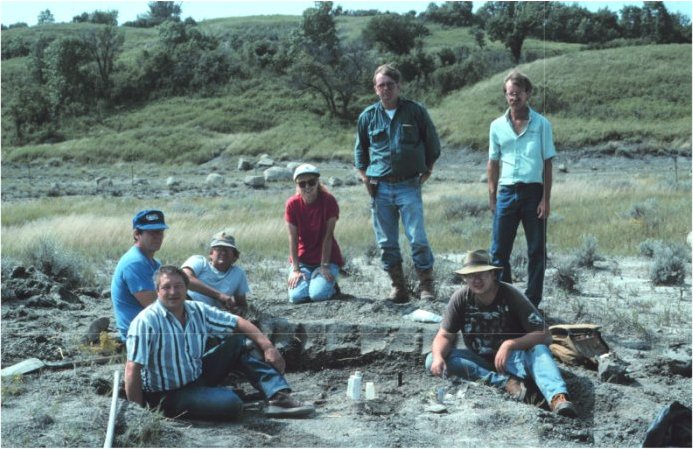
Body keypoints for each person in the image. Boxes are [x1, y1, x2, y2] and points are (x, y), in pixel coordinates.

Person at [124, 265, 315, 419]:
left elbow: (238, 322)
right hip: (166, 394)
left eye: (178, 286)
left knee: (240, 341)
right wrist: (138, 414)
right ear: (157, 291)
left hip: (196, 376)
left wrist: (268, 347)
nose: (173, 292)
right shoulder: (146, 322)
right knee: (232, 404)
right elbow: (132, 370)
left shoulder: (196, 309)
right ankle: (219, 397)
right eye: (166, 287)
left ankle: (278, 397)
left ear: (186, 288)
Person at [425, 249, 577, 418]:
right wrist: (438, 357)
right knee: (432, 359)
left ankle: (558, 398)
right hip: (481, 362)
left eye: (481, 274)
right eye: (471, 276)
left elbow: (545, 334)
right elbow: (445, 335)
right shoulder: (460, 298)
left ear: (492, 274)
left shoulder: (510, 295)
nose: (476, 280)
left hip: (516, 360)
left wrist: (510, 344)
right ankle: (506, 383)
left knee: (539, 350)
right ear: (465, 278)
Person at [354, 63, 441, 303]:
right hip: (380, 187)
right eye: (381, 85)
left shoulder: (415, 111)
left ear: (398, 85)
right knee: (386, 242)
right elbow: (360, 152)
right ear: (375, 88)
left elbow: (433, 144)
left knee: (417, 238)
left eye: (390, 84)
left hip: (408, 185)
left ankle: (426, 286)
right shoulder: (368, 117)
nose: (386, 89)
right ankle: (398, 287)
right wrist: (365, 178)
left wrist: (428, 170)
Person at [487, 70, 556, 307]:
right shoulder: (496, 126)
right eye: (510, 93)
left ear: (527, 93)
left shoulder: (542, 125)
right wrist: (492, 197)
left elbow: (547, 163)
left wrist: (545, 199)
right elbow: (493, 162)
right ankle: (506, 301)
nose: (514, 97)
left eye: (518, 93)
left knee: (536, 249)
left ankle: (532, 302)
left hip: (533, 192)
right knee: (499, 251)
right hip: (506, 193)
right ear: (505, 95)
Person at [285, 163, 344, 303]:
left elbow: (328, 236)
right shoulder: (292, 204)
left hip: (327, 259)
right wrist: (296, 269)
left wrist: (324, 266)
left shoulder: (329, 201)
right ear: (297, 186)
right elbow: (293, 238)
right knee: (296, 297)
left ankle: (331, 287)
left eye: (311, 182)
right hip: (303, 260)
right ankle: (314, 281)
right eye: (302, 184)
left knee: (317, 296)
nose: (307, 187)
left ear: (317, 182)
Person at [111, 209, 168, 342]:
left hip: (151, 329)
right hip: (139, 336)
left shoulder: (153, 262)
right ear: (137, 234)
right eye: (152, 233)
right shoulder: (135, 263)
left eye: (160, 232)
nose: (158, 237)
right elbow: (155, 305)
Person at [182, 230, 250, 316]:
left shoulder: (238, 274)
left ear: (235, 256)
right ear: (211, 253)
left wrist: (237, 310)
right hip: (187, 304)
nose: (223, 252)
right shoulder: (199, 261)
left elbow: (241, 304)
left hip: (211, 314)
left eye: (227, 250)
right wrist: (219, 296)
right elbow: (185, 278)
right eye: (219, 249)